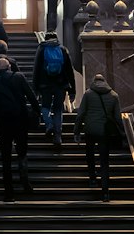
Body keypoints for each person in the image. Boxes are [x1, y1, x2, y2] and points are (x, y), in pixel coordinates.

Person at [0, 56, 40, 201]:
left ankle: (8, 192)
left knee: (6, 157)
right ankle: (25, 182)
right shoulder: (19, 77)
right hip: (21, 121)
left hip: (4, 124)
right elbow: (31, 96)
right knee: (22, 152)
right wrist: (37, 112)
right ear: (9, 67)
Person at [74, 71, 128, 204]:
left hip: (90, 130)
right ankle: (105, 193)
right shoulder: (114, 95)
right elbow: (117, 118)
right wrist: (123, 133)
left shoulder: (88, 94)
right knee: (104, 162)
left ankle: (92, 178)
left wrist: (76, 131)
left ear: (94, 81)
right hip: (105, 132)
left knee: (90, 155)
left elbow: (81, 114)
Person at [33, 29, 76, 147]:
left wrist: (35, 88)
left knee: (45, 107)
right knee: (58, 110)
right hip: (60, 85)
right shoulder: (62, 50)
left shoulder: (41, 49)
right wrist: (72, 91)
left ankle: (49, 124)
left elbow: (36, 69)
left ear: (45, 38)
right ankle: (58, 136)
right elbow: (69, 71)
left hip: (44, 85)